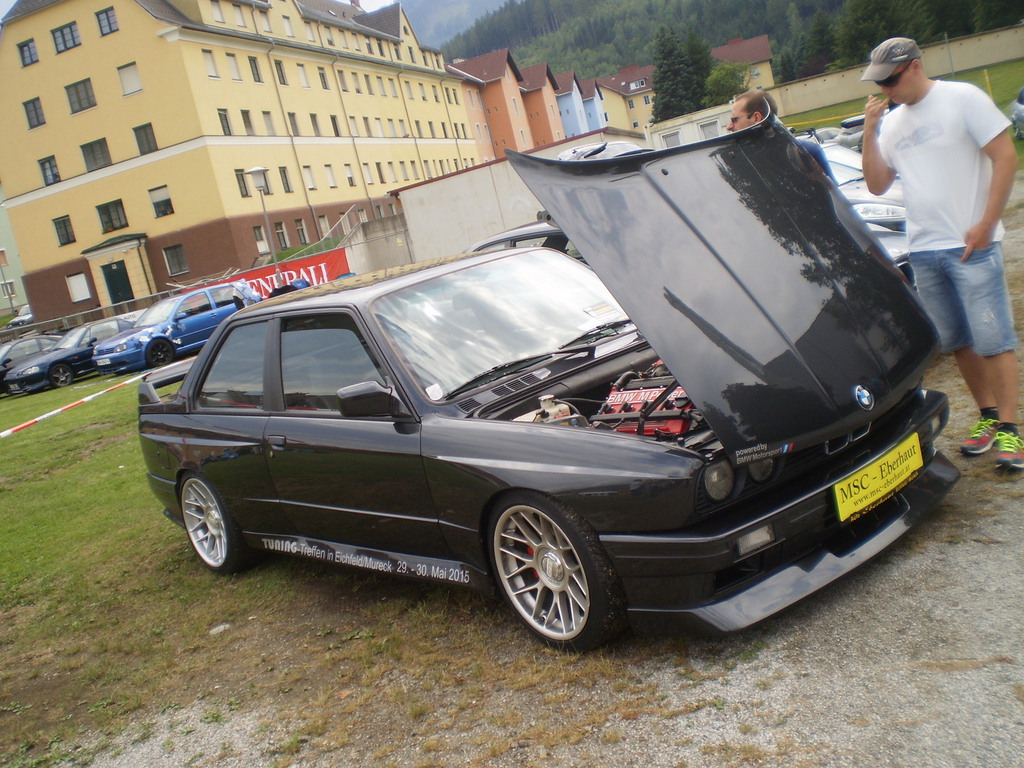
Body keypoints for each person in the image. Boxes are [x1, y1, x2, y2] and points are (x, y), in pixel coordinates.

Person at [860, 37, 1021, 470]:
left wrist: (987, 222)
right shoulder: (893, 123)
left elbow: (1005, 157)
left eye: (891, 80)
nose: (886, 89)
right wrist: (871, 131)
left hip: (972, 244)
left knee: (994, 339)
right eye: (879, 83)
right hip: (925, 249)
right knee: (958, 341)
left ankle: (1011, 429)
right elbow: (876, 184)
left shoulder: (963, 97)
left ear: (914, 66)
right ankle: (988, 416)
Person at [727, 89, 836, 182]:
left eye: (734, 119)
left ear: (756, 118)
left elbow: (833, 195)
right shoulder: (740, 160)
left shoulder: (804, 151)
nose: (729, 126)